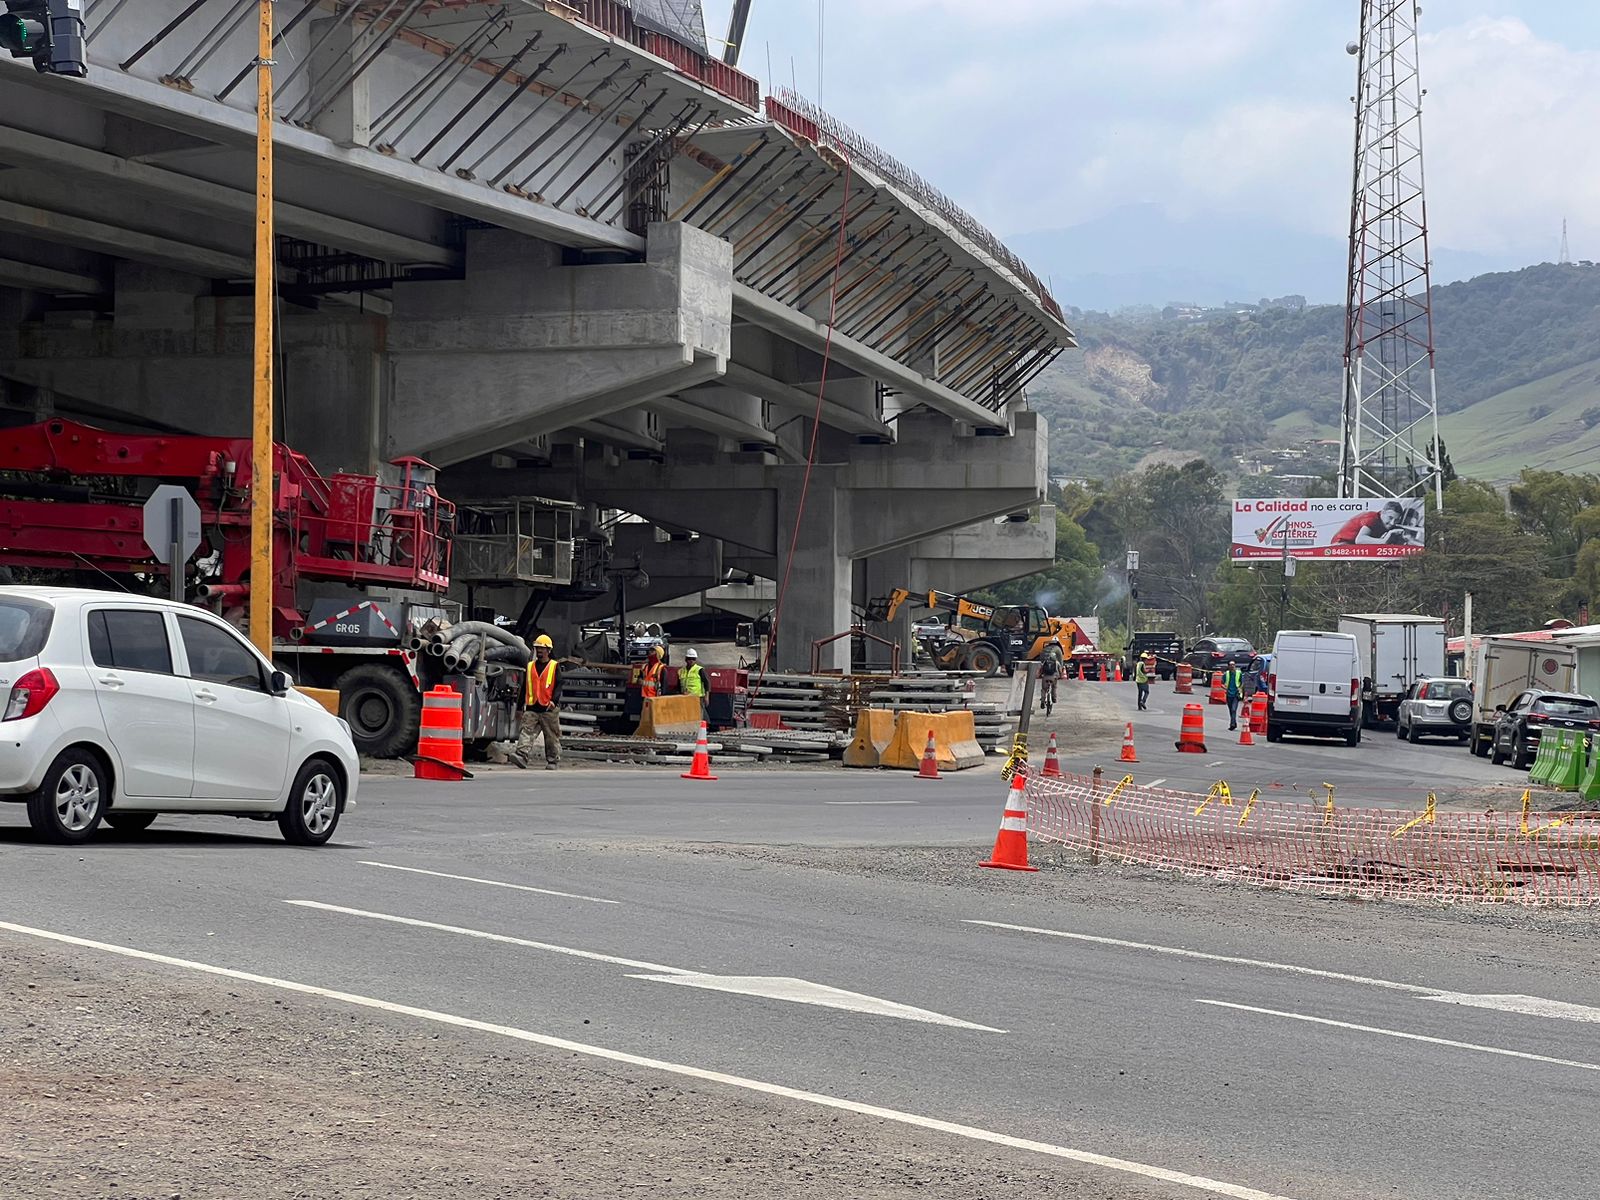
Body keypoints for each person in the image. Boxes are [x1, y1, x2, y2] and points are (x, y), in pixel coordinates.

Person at [521, 634, 563, 770]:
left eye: (542, 648)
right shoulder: (530, 666)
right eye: (537, 648)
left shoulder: (554, 666)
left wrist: (554, 701)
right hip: (532, 706)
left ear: (548, 650)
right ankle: (521, 755)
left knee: (551, 736)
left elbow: (559, 685)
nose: (539, 651)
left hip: (548, 708)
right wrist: (520, 705)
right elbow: (524, 686)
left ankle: (553, 760)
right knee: (526, 732)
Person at [680, 646, 709, 723]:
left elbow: (707, 683)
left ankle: (702, 727)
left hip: (697, 698)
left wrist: (706, 696)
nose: (691, 661)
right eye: (689, 659)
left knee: (699, 716)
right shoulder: (681, 671)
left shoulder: (700, 670)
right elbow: (679, 685)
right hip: (685, 697)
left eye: (693, 659)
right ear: (686, 659)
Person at [1223, 660, 1244, 731]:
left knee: (1233, 709)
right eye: (1231, 665)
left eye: (1233, 665)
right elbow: (1222, 683)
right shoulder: (1226, 674)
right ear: (1228, 666)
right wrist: (1225, 688)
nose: (1232, 666)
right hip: (1229, 694)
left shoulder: (1238, 673)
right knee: (1230, 710)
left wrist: (1240, 689)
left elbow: (1242, 682)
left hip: (1236, 694)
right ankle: (1234, 723)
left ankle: (1232, 724)